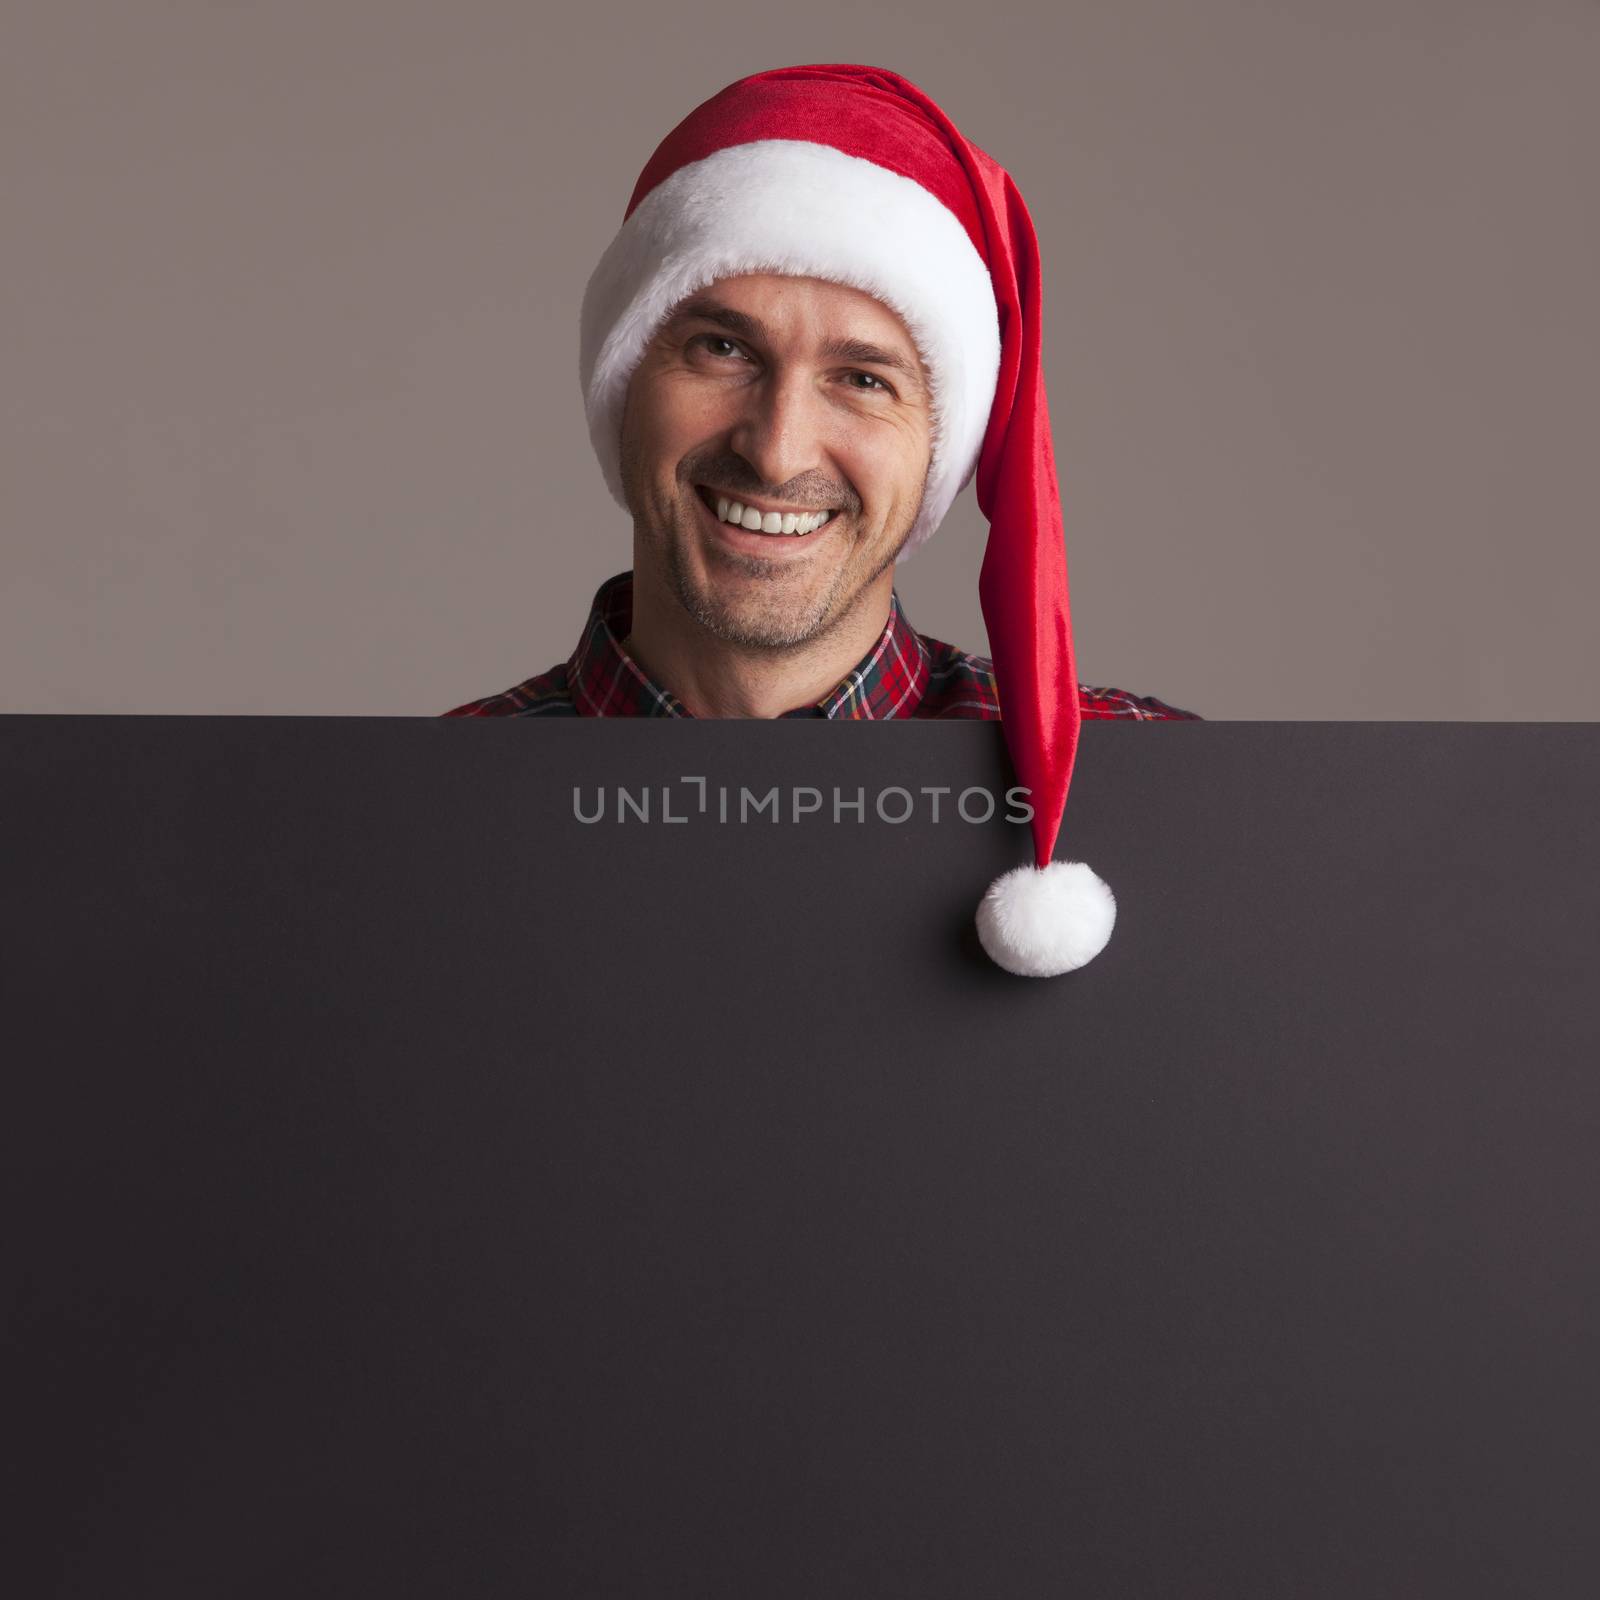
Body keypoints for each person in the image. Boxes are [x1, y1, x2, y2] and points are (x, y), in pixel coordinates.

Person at [444, 64, 1201, 976]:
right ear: (621, 387)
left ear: (940, 451)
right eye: (721, 348)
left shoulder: (1157, 796)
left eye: (864, 379)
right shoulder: (418, 810)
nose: (777, 451)